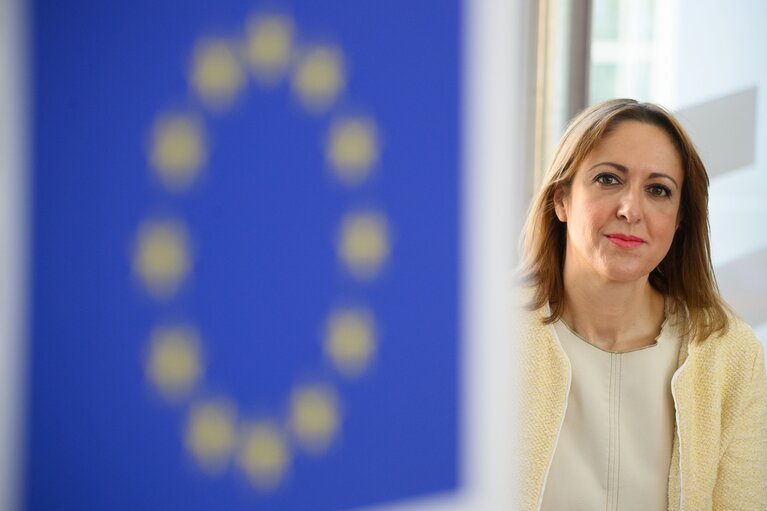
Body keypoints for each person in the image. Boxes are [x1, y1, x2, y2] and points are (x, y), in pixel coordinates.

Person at [517, 98, 767, 510]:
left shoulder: (731, 356)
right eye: (608, 180)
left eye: (658, 190)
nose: (631, 210)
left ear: (680, 218)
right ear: (561, 200)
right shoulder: (484, 335)